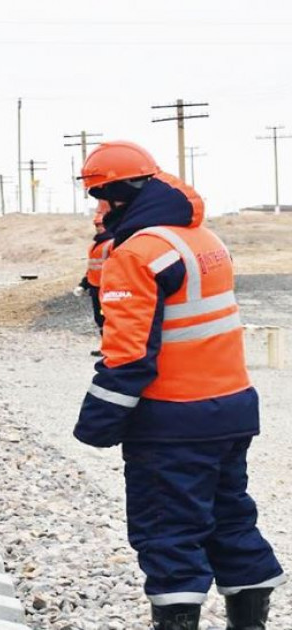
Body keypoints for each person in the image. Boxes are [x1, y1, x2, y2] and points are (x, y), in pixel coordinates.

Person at [75, 141, 284, 630]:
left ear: (121, 195)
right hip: (231, 409)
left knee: (167, 532)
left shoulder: (137, 254)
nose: (96, 213)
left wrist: (96, 424)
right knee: (231, 519)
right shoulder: (202, 239)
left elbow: (128, 356)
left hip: (172, 420)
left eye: (100, 200)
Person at [73, 201, 114, 354]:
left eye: (101, 225)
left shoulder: (112, 244)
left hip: (108, 288)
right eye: (96, 226)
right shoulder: (93, 246)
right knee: (100, 318)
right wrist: (83, 285)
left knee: (109, 318)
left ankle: (112, 348)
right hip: (96, 287)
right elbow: (91, 269)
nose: (98, 228)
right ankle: (105, 347)